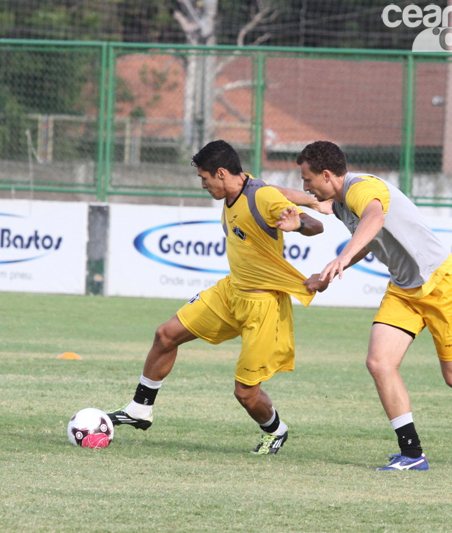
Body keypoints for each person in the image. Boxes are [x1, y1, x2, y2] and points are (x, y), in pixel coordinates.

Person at [294, 140, 452, 470]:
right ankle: (412, 454)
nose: (305, 186)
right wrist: (328, 272)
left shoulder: (361, 189)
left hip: (442, 285)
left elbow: (374, 219)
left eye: (307, 179)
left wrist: (341, 257)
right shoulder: (340, 201)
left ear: (328, 174)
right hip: (404, 290)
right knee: (379, 362)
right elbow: (368, 236)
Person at [108, 140, 324, 454]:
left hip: (263, 307)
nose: (203, 185)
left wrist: (299, 223)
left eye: (204, 178)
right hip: (230, 292)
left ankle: (276, 430)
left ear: (221, 173)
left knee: (246, 394)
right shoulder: (240, 186)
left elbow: (315, 225)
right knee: (166, 335)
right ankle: (139, 409)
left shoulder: (261, 197)